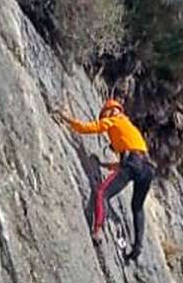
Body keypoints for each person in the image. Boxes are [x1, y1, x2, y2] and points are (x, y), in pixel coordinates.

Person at [52, 98, 156, 261]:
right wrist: (107, 164)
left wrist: (67, 119)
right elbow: (131, 160)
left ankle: (98, 230)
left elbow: (88, 128)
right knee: (137, 207)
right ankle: (138, 247)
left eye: (105, 115)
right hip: (148, 169)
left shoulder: (114, 120)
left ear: (112, 111)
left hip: (134, 163)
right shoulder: (129, 127)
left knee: (102, 192)